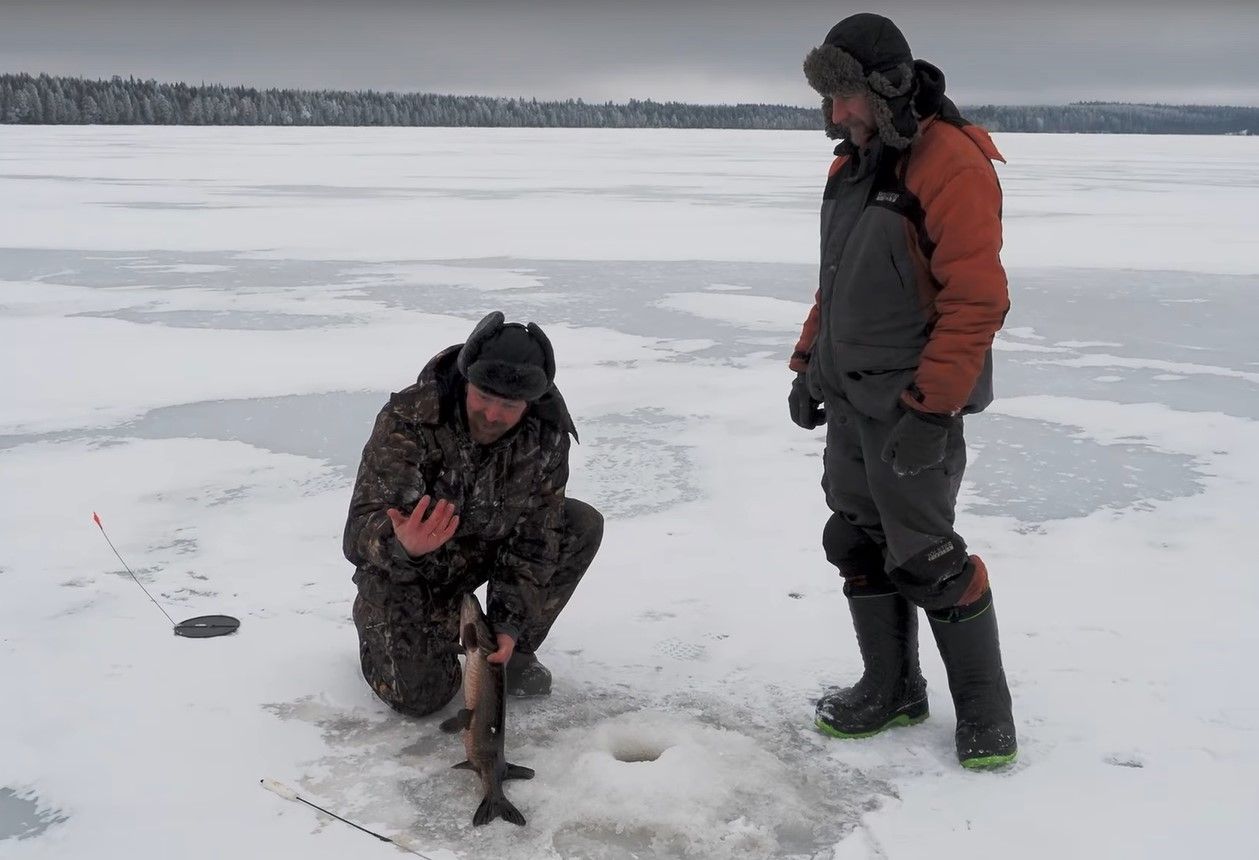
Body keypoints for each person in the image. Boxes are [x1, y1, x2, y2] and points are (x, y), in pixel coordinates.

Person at [788, 13, 1016, 768]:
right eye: (828, 98)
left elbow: (975, 302)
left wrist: (935, 409)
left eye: (846, 96)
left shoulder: (949, 162)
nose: (835, 114)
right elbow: (835, 281)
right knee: (853, 539)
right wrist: (807, 365)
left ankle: (986, 713)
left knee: (924, 556)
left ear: (884, 88)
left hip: (912, 405)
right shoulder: (851, 165)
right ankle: (892, 688)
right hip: (849, 399)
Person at [344, 311, 603, 715]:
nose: (493, 414)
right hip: (411, 573)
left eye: (509, 404)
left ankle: (505, 652)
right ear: (467, 381)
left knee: (578, 525)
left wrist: (510, 622)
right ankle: (384, 632)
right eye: (484, 396)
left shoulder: (547, 435)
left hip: (481, 554)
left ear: (530, 402)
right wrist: (401, 544)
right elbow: (359, 529)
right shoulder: (409, 421)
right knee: (420, 700)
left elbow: (536, 539)